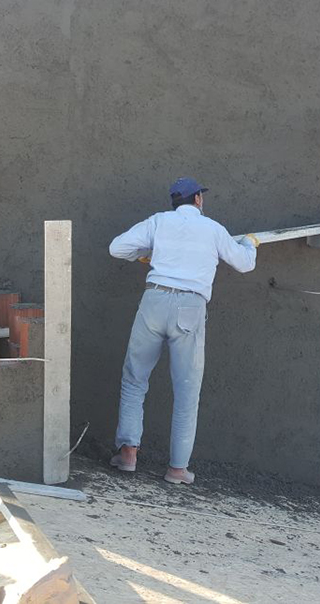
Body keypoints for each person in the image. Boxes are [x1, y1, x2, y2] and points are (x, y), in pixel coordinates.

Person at [108, 177, 259, 485]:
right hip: (190, 307)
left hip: (154, 300)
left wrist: (142, 255)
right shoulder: (213, 229)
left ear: (175, 202)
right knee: (187, 390)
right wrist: (249, 244)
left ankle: (128, 455)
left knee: (135, 379)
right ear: (198, 199)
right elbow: (244, 264)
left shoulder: (158, 222)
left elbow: (116, 247)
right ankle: (177, 469)